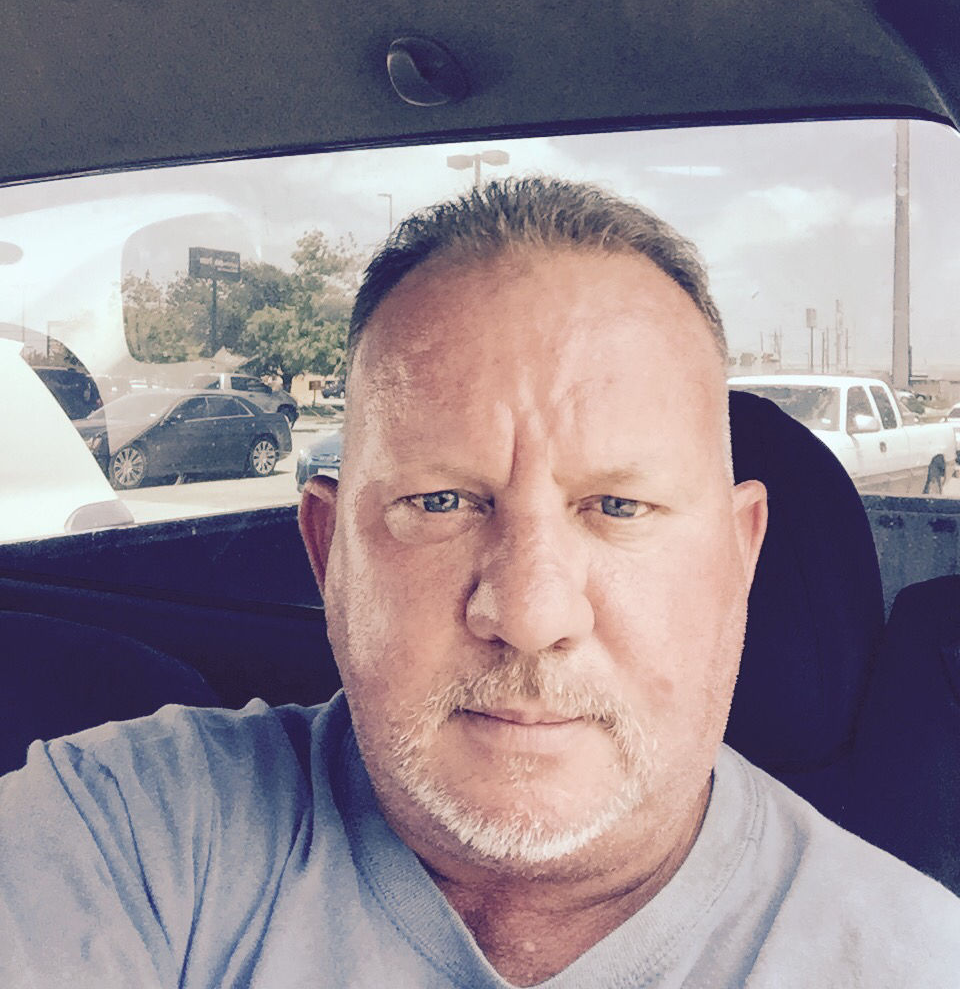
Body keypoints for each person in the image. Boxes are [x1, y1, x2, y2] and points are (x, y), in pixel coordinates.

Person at [1, 177, 959, 987]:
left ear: (738, 558)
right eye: (441, 503)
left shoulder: (908, 959)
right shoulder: (123, 837)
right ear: (330, 555)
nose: (531, 614)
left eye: (618, 506)